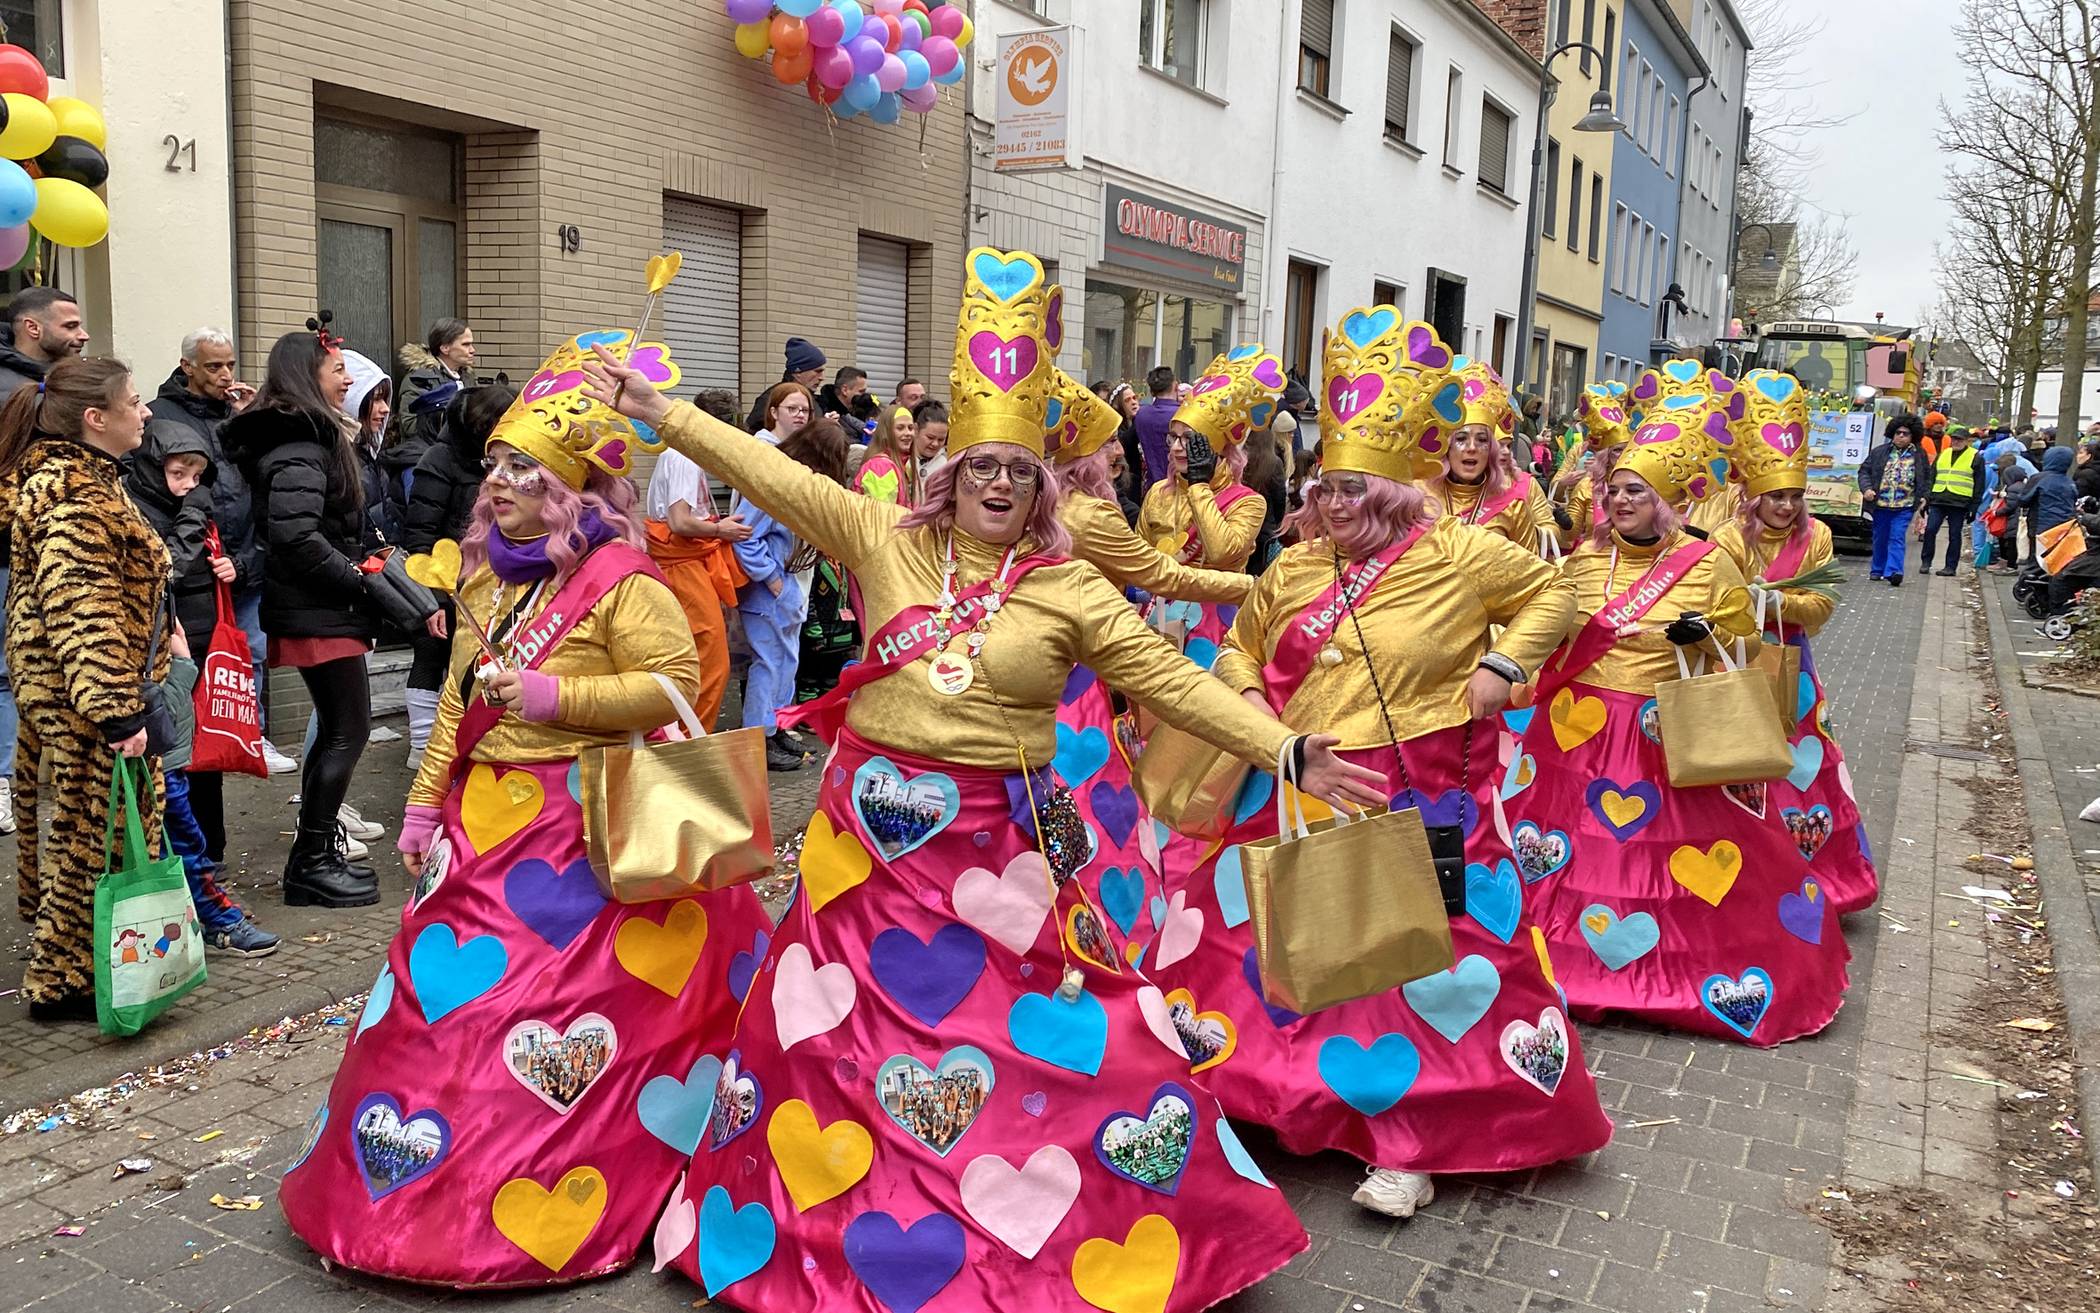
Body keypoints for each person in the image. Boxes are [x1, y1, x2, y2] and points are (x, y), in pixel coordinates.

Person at [584, 247, 1383, 1311]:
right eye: (979, 467)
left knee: (1043, 1026)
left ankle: (1082, 1223)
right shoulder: (878, 536)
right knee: (833, 1032)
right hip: (860, 848)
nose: (997, 483)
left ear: (1042, 486)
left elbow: (1162, 677)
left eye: (1017, 470)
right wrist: (664, 412)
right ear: (947, 474)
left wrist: (1282, 746)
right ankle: (815, 1232)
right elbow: (772, 473)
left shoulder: (1067, 586)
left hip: (996, 848)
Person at [280, 330, 772, 1286]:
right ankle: (416, 1196)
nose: (496, 483)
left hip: (586, 831)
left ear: (572, 492)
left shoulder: (626, 582)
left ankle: (577, 1189)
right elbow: (461, 701)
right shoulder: (486, 575)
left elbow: (675, 688)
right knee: (444, 1016)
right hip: (480, 829)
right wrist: (424, 809)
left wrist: (555, 698)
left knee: (570, 1021)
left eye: (521, 469)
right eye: (496, 464)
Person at [1142, 310, 1608, 1220]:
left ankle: (1411, 1140)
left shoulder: (1461, 553)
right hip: (1293, 787)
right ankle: (1262, 1100)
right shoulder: (1294, 567)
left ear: (1393, 491)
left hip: (1424, 794)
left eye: (1353, 486)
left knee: (1412, 972)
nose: (1333, 500)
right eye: (1325, 485)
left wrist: (1506, 664)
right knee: (1269, 949)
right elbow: (1238, 646)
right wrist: (1252, 708)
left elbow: (1563, 587)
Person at [1512, 386, 1851, 1045]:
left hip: (1665, 735)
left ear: (1666, 503)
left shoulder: (1707, 561)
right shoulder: (1581, 562)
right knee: (1569, 854)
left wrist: (1706, 635)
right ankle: (1567, 970)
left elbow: (1746, 645)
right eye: (1616, 491)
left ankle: (1677, 978)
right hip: (1574, 736)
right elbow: (1550, 635)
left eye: (1636, 492)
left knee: (1669, 859)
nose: (1619, 501)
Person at [225, 323, 441, 908]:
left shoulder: (314, 439)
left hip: (325, 607)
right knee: (348, 731)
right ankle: (312, 862)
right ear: (308, 376)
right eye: (339, 369)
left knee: (342, 731)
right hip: (319, 610)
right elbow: (294, 536)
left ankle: (314, 856)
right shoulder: (300, 446)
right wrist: (356, 580)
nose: (349, 379)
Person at [1042, 368, 1256, 956]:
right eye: (1110, 441)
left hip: (1080, 654)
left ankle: (1050, 907)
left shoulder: (1045, 506)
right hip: (1092, 665)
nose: (1122, 449)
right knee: (1089, 787)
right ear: (1086, 455)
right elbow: (1159, 570)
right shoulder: (1094, 512)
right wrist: (1251, 588)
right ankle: (1105, 920)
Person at [0, 357, 166, 1021]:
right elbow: (82, 610)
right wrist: (118, 714)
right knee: (86, 844)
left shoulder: (90, 480)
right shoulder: (75, 496)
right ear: (96, 419)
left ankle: (82, 969)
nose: (145, 410)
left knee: (91, 838)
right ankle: (62, 981)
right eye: (134, 400)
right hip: (88, 706)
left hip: (88, 699)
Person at [1712, 371, 1880, 916]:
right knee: (1735, 763)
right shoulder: (1726, 539)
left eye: (1794, 496)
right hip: (1733, 663)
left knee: (1799, 768)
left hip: (1793, 671)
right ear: (1752, 495)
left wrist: (1774, 602)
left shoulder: (1819, 538)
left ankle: (1810, 873)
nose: (1785, 506)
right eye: (1774, 496)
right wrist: (1745, 604)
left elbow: (1822, 608)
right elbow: (1714, 604)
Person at [124, 438, 281, 958]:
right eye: (178, 474)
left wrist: (231, 565)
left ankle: (201, 901)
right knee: (170, 799)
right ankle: (202, 912)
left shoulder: (175, 506)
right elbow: (165, 567)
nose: (190, 486)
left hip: (174, 659)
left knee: (183, 790)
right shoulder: (137, 510)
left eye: (196, 476)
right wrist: (193, 515)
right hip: (142, 674)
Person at [1134, 349, 1281, 661]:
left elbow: (1223, 552)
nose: (1176, 447)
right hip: (1157, 618)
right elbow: (1139, 557)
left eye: (1189, 440)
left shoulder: (1248, 502)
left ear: (1216, 447)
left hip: (1216, 628)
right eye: (1172, 438)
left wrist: (1200, 485)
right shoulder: (1159, 492)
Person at [402, 383, 519, 767]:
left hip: (489, 578)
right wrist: (430, 597)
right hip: (445, 579)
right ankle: (422, 744)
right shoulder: (440, 459)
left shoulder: (498, 463)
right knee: (432, 652)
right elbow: (420, 532)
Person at [735, 416, 849, 771]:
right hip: (770, 589)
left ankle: (776, 727)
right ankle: (758, 738)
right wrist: (773, 581)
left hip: (785, 586)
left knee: (786, 662)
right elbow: (745, 536)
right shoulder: (770, 484)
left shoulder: (789, 480)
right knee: (768, 666)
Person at [642, 389, 750, 730]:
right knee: (709, 658)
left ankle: (689, 734)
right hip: (683, 564)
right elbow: (679, 522)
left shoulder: (680, 455)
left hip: (685, 560)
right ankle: (691, 737)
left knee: (701, 655)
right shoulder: (685, 457)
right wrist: (722, 531)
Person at [1421, 360, 1557, 553]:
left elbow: (1534, 577)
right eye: (1461, 438)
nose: (1472, 448)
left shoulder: (1513, 506)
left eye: (1482, 440)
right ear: (1446, 447)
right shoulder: (1419, 497)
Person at [1552, 382, 1633, 552]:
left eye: (1628, 450)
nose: (1623, 456)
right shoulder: (1587, 486)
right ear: (1605, 454)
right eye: (1618, 451)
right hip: (1592, 561)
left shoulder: (1643, 488)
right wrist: (1565, 522)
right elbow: (1571, 534)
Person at [1858, 414, 1928, 586]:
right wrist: (1866, 489)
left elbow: (1927, 477)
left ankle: (1894, 572)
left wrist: (1925, 497)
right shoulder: (1880, 452)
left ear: (1913, 436)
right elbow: (1864, 471)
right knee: (1880, 537)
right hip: (1880, 504)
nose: (1901, 436)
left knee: (1897, 537)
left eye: (1906, 433)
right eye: (1898, 432)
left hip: (1904, 506)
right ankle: (1877, 569)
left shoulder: (1919, 455)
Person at [394, 318, 476, 452]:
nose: (472, 350)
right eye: (466, 344)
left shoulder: (467, 377)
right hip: (425, 456)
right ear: (445, 348)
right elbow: (409, 426)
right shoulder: (419, 379)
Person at [1919, 423, 1982, 577]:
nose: (1955, 442)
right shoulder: (1943, 454)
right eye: (1954, 439)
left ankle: (1950, 567)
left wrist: (1974, 506)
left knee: (1954, 535)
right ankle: (1926, 562)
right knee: (1930, 531)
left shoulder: (1975, 457)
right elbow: (1932, 478)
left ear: (1967, 441)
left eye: (1959, 439)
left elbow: (1979, 483)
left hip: (1959, 503)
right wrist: (1927, 498)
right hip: (1938, 499)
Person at [744, 335, 825, 431]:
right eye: (817, 371)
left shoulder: (813, 401)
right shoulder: (771, 399)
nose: (822, 378)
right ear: (798, 372)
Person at [853, 404, 919, 506]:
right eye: (900, 428)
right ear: (886, 432)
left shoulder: (904, 464)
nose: (908, 433)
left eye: (910, 428)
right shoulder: (880, 467)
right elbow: (882, 517)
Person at [1133, 363, 1180, 490]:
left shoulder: (1141, 415)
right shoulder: (1183, 414)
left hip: (1152, 485)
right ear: (1175, 386)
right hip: (1179, 486)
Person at [818, 364, 875, 434]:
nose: (864, 396)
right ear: (845, 390)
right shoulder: (824, 414)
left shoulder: (858, 412)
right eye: (861, 391)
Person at [911, 397, 949, 476]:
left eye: (941, 439)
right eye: (930, 437)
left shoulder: (947, 466)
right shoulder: (899, 461)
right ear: (916, 429)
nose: (935, 444)